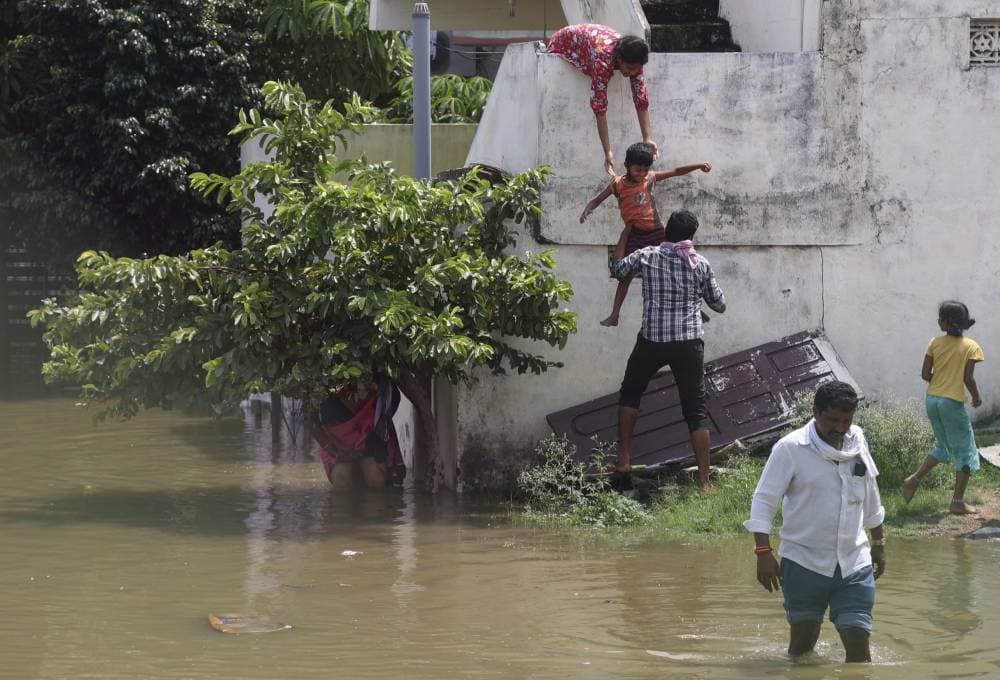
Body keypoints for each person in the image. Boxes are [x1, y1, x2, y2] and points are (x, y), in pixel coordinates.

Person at [745, 381, 886, 664]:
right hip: (804, 562)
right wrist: (763, 553)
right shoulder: (790, 448)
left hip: (853, 561)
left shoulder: (857, 441)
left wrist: (878, 542)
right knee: (802, 646)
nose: (840, 428)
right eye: (832, 420)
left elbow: (870, 491)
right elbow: (764, 500)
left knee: (859, 644)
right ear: (815, 412)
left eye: (846, 421)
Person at [609, 209, 726, 487]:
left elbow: (617, 270)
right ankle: (704, 484)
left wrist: (626, 233)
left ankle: (624, 460)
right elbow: (719, 304)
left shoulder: (647, 255)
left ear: (666, 232)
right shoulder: (700, 263)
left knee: (630, 393)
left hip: (653, 340)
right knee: (695, 410)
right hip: (688, 343)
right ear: (691, 236)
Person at [579, 142, 711, 326]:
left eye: (644, 170)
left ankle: (697, 309)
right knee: (625, 275)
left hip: (657, 232)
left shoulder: (649, 178)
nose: (641, 174)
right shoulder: (617, 185)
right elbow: (596, 200)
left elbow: (676, 171)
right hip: (634, 234)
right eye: (637, 170)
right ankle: (615, 315)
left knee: (677, 269)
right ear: (626, 166)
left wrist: (698, 165)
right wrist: (587, 209)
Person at [901, 301, 984, 514]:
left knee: (943, 446)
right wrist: (976, 396)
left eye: (940, 318)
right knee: (966, 450)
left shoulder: (934, 343)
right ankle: (957, 502)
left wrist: (939, 382)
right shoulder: (971, 347)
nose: (938, 321)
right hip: (951, 402)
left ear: (948, 322)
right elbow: (968, 378)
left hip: (932, 400)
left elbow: (925, 374)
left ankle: (914, 479)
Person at [547, 24, 656, 176]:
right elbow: (599, 109)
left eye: (636, 69)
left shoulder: (635, 62)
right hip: (565, 40)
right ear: (619, 59)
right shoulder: (603, 61)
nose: (633, 72)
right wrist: (608, 152)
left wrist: (647, 138)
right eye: (629, 68)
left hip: (596, 39)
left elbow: (641, 100)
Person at [307, 379, 405, 490]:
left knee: (375, 476)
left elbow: (393, 398)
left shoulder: (375, 387)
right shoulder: (323, 393)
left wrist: (376, 438)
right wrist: (336, 454)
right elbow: (312, 424)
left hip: (371, 444)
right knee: (341, 477)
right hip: (338, 446)